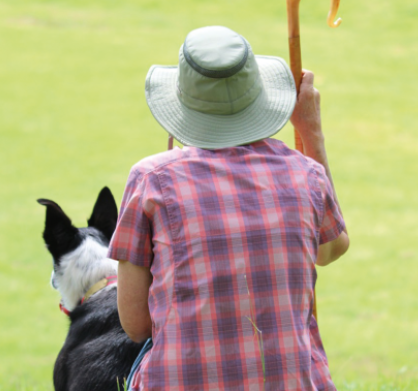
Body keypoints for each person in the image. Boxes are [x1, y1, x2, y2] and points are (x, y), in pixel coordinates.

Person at [108, 26, 350, 390]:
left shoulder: (151, 178)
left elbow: (137, 324)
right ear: (259, 94)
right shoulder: (306, 173)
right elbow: (330, 249)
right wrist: (311, 131)